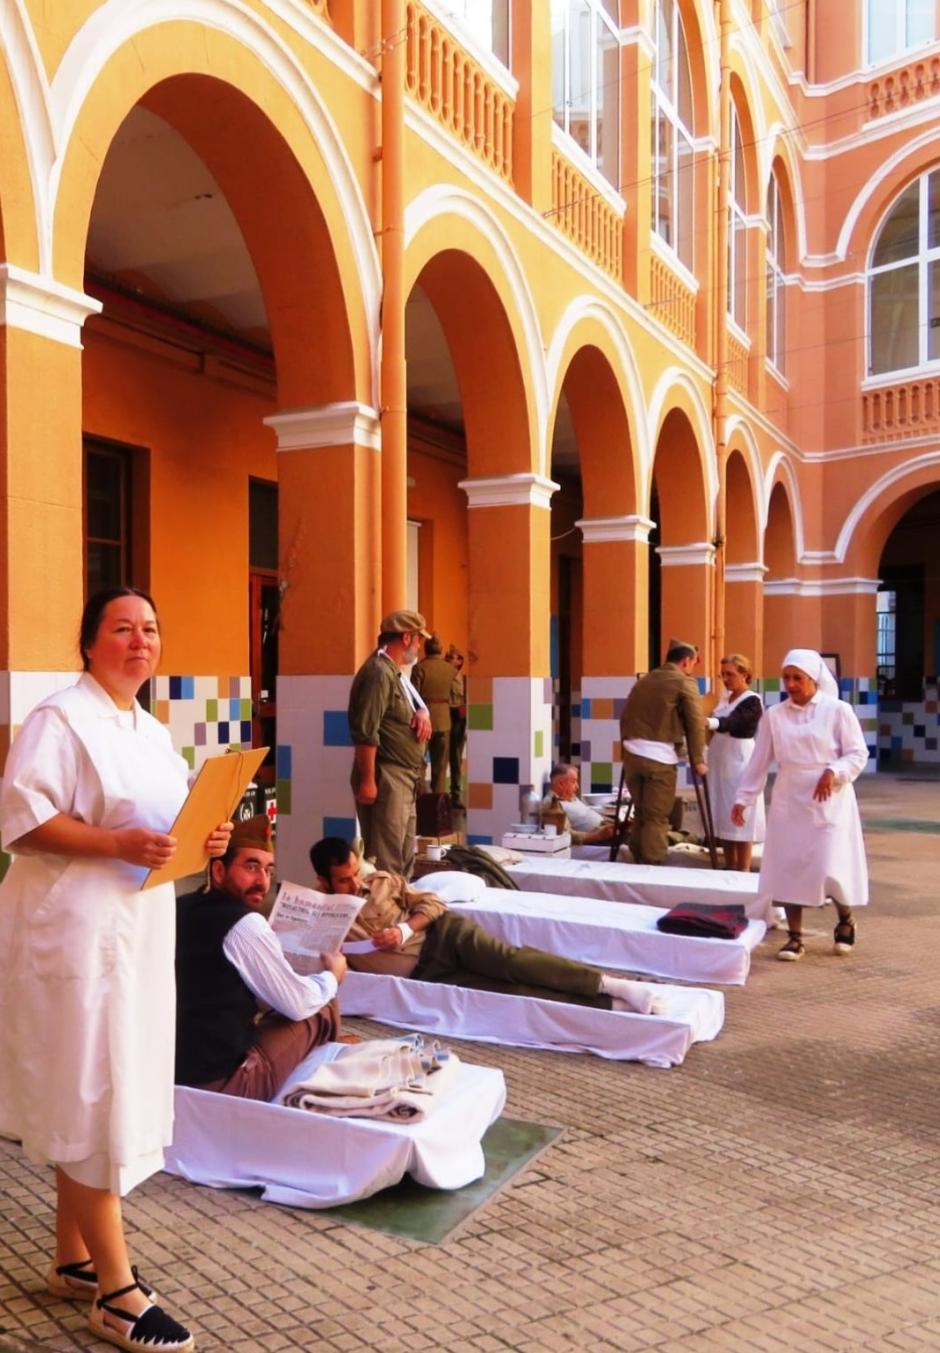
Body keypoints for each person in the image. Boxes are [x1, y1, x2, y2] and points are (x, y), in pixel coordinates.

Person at [0, 587, 232, 1353]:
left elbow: (167, 829)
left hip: (134, 936)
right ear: (91, 641)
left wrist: (208, 835)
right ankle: (118, 1293)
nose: (141, 641)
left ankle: (73, 1257)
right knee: (94, 1090)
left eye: (152, 629)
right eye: (123, 628)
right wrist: (118, 845)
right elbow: (24, 821)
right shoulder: (60, 719)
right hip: (75, 938)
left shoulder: (151, 732)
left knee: (102, 1081)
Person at [309, 837, 667, 1015]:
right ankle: (608, 1005)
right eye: (342, 880)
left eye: (356, 872)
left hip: (443, 936)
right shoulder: (319, 917)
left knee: (511, 962)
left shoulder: (383, 882)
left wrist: (404, 929)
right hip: (424, 973)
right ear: (323, 882)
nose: (354, 883)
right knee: (504, 993)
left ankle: (610, 983)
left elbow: (434, 902)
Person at [175, 815, 344, 1098]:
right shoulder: (244, 924)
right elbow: (298, 1004)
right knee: (322, 1004)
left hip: (172, 1067)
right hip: (222, 1083)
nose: (262, 881)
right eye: (251, 867)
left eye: (268, 870)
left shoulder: (180, 906)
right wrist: (332, 977)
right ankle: (323, 1082)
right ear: (218, 871)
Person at [731, 649, 869, 962]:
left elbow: (857, 753)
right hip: (789, 798)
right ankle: (794, 938)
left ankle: (845, 918)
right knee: (789, 866)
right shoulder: (775, 715)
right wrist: (743, 799)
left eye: (798, 678)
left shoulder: (838, 711)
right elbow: (758, 761)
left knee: (829, 864)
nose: (791, 684)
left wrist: (834, 771)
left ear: (814, 679)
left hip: (829, 798)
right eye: (787, 677)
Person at [348, 610, 433, 878]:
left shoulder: (393, 672)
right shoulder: (378, 672)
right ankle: (383, 915)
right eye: (418, 639)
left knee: (403, 855)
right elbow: (366, 731)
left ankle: (400, 910)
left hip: (404, 778)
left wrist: (421, 712)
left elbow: (397, 712)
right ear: (406, 638)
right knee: (385, 859)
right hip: (387, 775)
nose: (420, 646)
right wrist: (368, 779)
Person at [619, 641, 708, 865]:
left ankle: (635, 862)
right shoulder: (683, 681)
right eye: (692, 665)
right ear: (686, 661)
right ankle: (652, 866)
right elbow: (696, 722)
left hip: (632, 755)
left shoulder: (645, 679)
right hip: (659, 757)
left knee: (641, 812)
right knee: (657, 817)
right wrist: (698, 759)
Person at [705, 653, 766, 872]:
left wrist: (708, 721)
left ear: (744, 674)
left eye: (730, 674)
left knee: (741, 811)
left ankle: (743, 867)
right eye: (723, 675)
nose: (726, 679)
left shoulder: (752, 700)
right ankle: (729, 864)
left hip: (739, 759)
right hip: (720, 760)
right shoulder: (724, 699)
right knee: (722, 811)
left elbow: (734, 722)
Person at [413, 634, 463, 794]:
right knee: (440, 767)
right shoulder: (450, 670)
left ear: (426, 649)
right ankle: (438, 802)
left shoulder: (419, 668)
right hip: (444, 721)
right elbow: (456, 696)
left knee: (419, 763)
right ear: (441, 650)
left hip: (423, 722)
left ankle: (420, 801)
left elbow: (413, 697)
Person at [541, 763, 614, 845]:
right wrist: (598, 836)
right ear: (560, 784)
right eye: (574, 782)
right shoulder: (552, 804)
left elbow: (588, 814)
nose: (577, 786)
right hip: (596, 840)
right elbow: (565, 834)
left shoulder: (571, 797)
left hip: (606, 830)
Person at [445, 645, 467, 807]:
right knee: (442, 757)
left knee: (456, 757)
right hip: (445, 715)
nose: (450, 659)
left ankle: (456, 794)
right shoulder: (444, 675)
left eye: (453, 656)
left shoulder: (462, 678)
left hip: (459, 717)